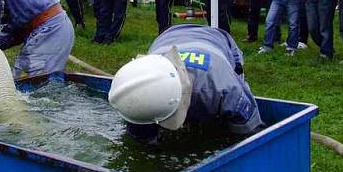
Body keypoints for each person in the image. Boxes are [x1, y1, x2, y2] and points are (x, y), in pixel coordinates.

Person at [107, 24, 263, 144]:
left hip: (216, 39)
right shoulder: (140, 80)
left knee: (224, 127)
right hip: (168, 37)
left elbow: (249, 131)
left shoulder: (223, 89)